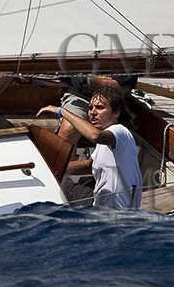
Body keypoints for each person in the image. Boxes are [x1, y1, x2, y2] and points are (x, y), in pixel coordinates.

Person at [40, 77, 141, 210]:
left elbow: (95, 136)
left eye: (99, 108)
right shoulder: (107, 138)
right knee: (67, 182)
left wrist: (62, 111)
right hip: (98, 206)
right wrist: (51, 168)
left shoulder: (119, 131)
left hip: (117, 212)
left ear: (116, 112)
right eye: (90, 108)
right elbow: (89, 164)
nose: (92, 113)